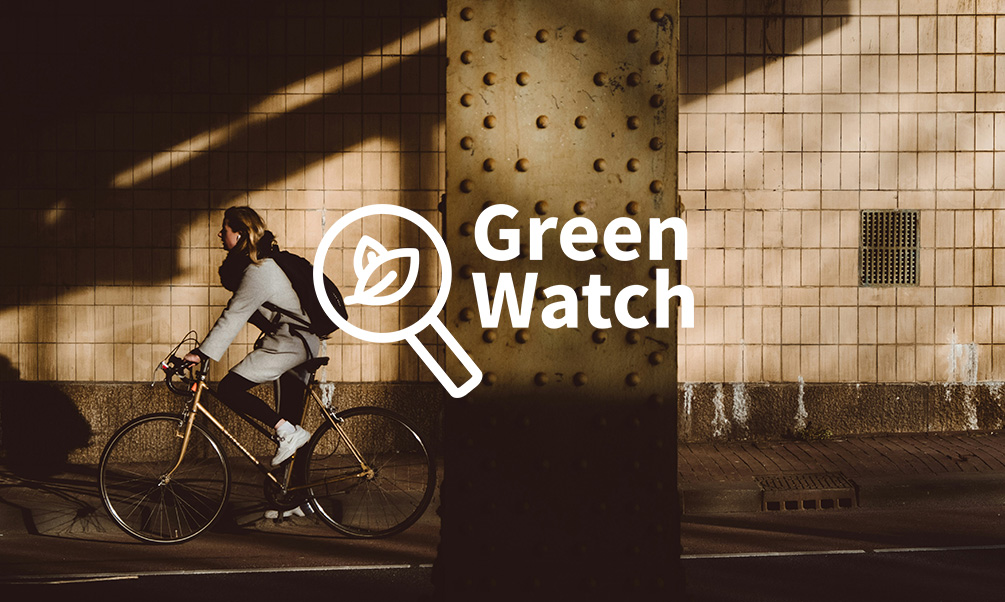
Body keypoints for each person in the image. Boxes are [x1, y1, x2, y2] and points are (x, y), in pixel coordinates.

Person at [184, 206, 319, 466]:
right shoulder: (257, 267)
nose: (220, 235)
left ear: (240, 234)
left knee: (230, 389)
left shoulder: (260, 271)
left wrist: (201, 353)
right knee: (289, 419)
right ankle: (291, 502)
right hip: (294, 342)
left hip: (292, 343)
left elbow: (233, 315)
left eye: (225, 230)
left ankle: (288, 432)